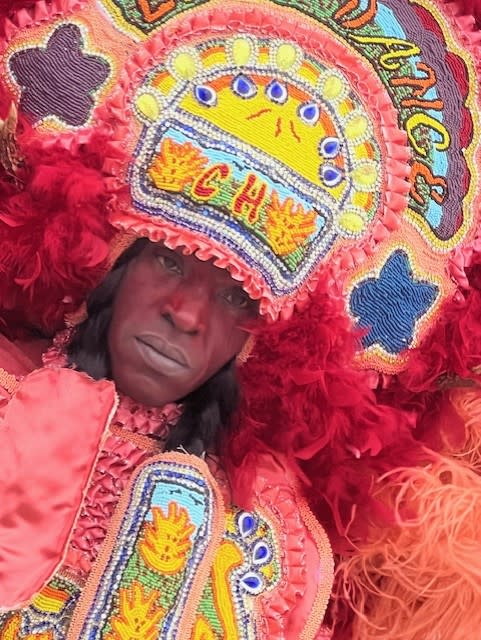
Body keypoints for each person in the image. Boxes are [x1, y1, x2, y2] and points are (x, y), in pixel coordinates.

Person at [1, 1, 481, 639]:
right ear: (114, 264)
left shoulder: (271, 541)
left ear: (261, 343)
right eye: (172, 262)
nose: (187, 314)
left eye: (237, 299)